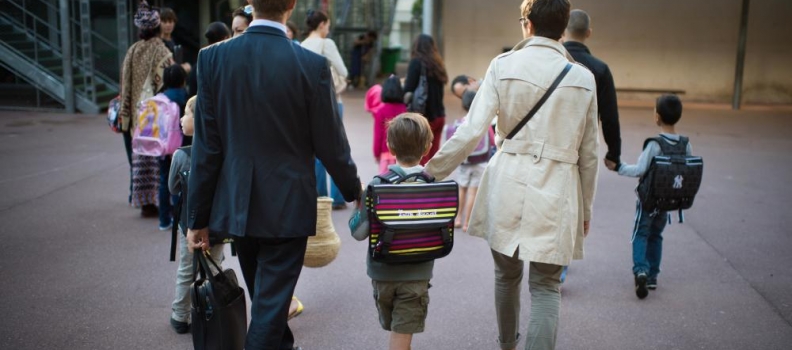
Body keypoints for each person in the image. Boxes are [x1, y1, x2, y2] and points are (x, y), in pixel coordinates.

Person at [186, 0, 361, 348]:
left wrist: (197, 217)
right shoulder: (311, 65)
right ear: (292, 5)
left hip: (237, 203)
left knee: (267, 303)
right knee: (270, 308)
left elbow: (207, 147)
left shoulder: (212, 58)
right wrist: (354, 189)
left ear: (251, 3)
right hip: (288, 203)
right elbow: (331, 144)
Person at [424, 0, 599, 349]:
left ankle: (507, 345)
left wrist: (430, 172)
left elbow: (472, 130)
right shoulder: (582, 78)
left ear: (527, 24)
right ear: (563, 28)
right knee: (547, 286)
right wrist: (586, 209)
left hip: (507, 181)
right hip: (558, 187)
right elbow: (589, 153)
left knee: (506, 276)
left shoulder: (502, 66)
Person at [350, 113, 436, 350]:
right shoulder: (432, 185)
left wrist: (360, 203)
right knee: (401, 334)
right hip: (417, 272)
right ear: (428, 147)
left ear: (389, 145)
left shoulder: (377, 186)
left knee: (396, 330)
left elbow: (358, 232)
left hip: (382, 272)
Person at [606, 95, 690, 299]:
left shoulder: (655, 144)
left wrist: (618, 167)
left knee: (640, 233)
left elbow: (640, 169)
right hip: (668, 201)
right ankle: (652, 276)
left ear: (657, 117)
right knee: (656, 235)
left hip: (648, 200)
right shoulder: (686, 145)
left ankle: (640, 271)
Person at [167, 96, 226, 334]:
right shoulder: (225, 152)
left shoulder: (182, 155)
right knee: (215, 266)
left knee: (186, 269)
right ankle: (213, 312)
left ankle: (180, 315)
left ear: (198, 119)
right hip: (219, 223)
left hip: (189, 223)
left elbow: (173, 188)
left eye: (186, 114)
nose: (182, 119)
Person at [118, 0, 174, 217]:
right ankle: (162, 203)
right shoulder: (162, 51)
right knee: (158, 162)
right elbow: (168, 82)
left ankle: (144, 202)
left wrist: (125, 118)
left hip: (135, 116)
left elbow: (125, 86)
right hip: (156, 116)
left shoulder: (132, 50)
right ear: (157, 26)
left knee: (139, 161)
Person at [301, 9, 350, 210]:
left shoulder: (302, 45)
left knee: (315, 151)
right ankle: (338, 197)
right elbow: (343, 70)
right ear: (321, 25)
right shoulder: (326, 43)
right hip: (331, 100)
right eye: (328, 26)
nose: (328, 30)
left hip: (308, 103)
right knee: (336, 148)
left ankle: (320, 196)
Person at [564, 9, 621, 166]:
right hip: (583, 146)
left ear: (563, 30)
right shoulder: (600, 69)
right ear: (588, 33)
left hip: (550, 144)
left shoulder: (551, 63)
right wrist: (613, 153)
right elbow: (610, 117)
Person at [451, 90, 495, 232]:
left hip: (465, 161)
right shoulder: (484, 121)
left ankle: (457, 219)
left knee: (462, 189)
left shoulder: (460, 122)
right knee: (472, 192)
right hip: (481, 161)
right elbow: (493, 140)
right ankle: (467, 223)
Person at [403, 34, 448, 165]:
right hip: (439, 115)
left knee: (421, 157)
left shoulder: (416, 63)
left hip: (424, 116)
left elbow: (408, 89)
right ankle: (432, 183)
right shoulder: (438, 64)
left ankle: (423, 184)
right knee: (433, 157)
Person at [156, 63, 188, 231]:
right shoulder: (187, 97)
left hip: (162, 147)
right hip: (182, 147)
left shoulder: (160, 98)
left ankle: (163, 221)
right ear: (183, 79)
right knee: (181, 182)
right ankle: (179, 220)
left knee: (163, 181)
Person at [372, 75, 408, 173]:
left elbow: (378, 135)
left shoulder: (381, 111)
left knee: (384, 183)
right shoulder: (405, 110)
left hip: (385, 154)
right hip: (403, 155)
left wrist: (376, 153)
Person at [159, 8, 191, 75]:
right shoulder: (158, 43)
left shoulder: (177, 40)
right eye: (164, 22)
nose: (168, 25)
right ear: (160, 23)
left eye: (170, 22)